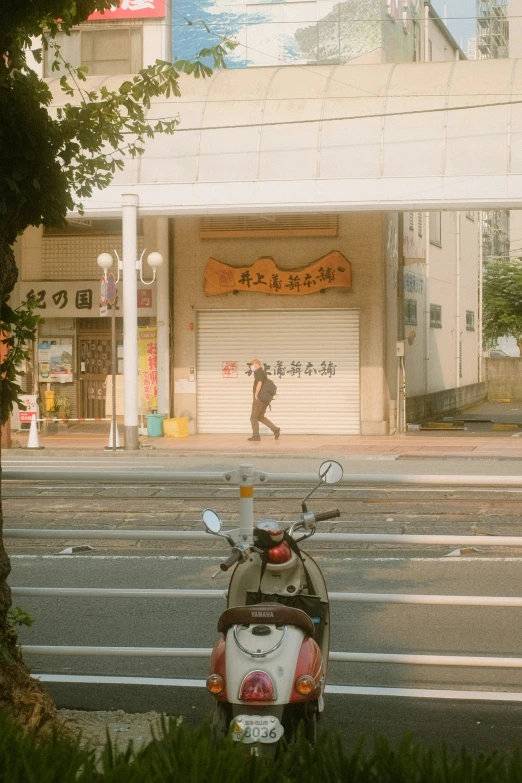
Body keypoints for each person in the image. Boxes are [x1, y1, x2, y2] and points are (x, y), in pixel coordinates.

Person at [247, 359, 280, 442]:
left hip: (259, 399)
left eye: (252, 364)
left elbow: (259, 383)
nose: (251, 366)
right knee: (260, 417)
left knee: (253, 418)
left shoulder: (258, 372)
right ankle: (275, 429)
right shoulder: (261, 372)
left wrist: (256, 394)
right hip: (264, 399)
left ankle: (256, 436)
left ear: (258, 364)